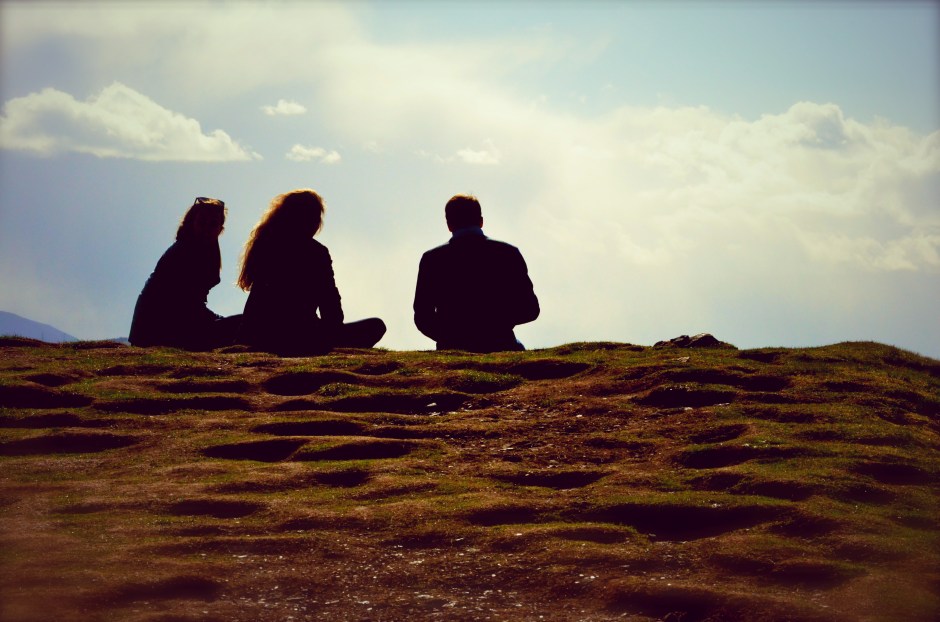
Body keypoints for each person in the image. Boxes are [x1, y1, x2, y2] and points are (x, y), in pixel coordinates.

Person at [236, 189, 386, 356]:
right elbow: (330, 301)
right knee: (375, 326)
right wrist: (333, 332)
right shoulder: (315, 252)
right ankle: (312, 344)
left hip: (261, 333)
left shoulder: (265, 244)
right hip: (298, 333)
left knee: (372, 327)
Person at [413, 194, 539, 352]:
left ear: (449, 224)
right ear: (481, 221)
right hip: (500, 342)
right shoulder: (508, 253)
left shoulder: (432, 259)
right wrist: (497, 324)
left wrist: (449, 335)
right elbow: (530, 308)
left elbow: (423, 316)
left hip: (452, 345)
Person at [129, 197, 241, 350]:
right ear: (192, 222)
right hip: (161, 332)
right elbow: (182, 306)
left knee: (242, 325)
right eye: (202, 222)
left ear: (220, 229)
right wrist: (218, 322)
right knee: (245, 325)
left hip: (165, 329)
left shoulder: (199, 250)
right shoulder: (185, 251)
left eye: (213, 224)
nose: (207, 228)